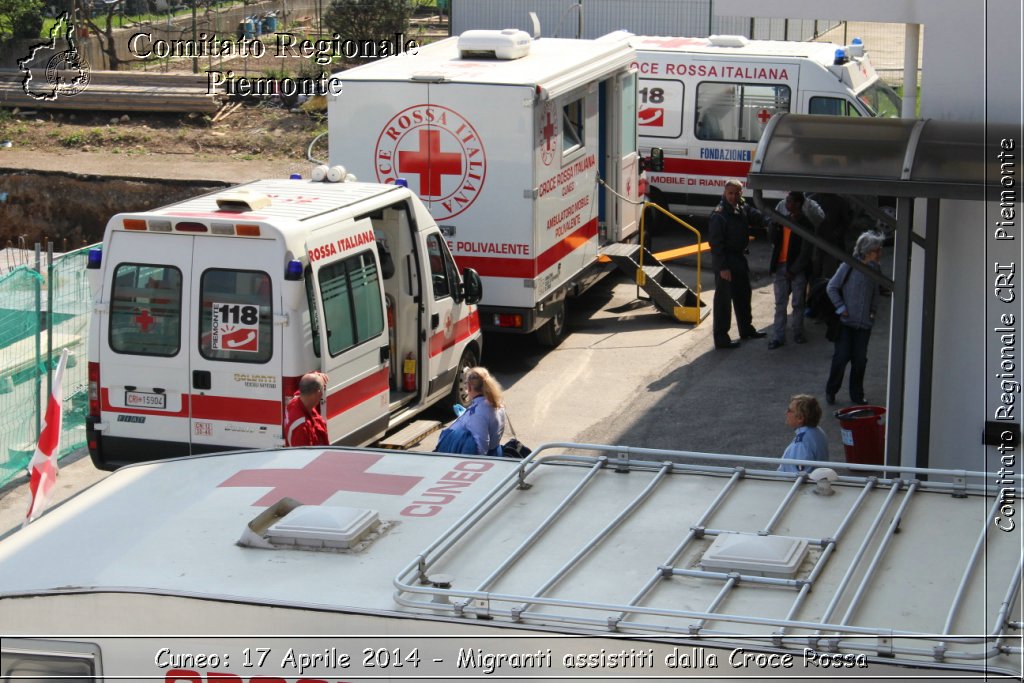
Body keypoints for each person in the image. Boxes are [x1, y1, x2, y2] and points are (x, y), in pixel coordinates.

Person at [825, 232, 884, 406]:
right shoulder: (848, 266)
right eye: (876, 250)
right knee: (841, 358)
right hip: (845, 324)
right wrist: (841, 308)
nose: (879, 253)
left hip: (864, 325)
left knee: (860, 361)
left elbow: (875, 292)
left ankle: (857, 394)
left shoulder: (874, 269)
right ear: (866, 251)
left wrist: (872, 312)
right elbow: (832, 287)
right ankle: (831, 390)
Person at [708, 179, 768, 349]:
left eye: (737, 193)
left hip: (739, 259)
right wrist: (723, 268)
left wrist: (770, 219)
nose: (733, 196)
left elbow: (755, 215)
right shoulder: (719, 215)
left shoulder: (740, 207)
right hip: (726, 261)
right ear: (724, 193)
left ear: (741, 194)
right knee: (723, 302)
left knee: (743, 295)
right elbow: (716, 245)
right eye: (730, 193)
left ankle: (746, 329)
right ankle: (721, 338)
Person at [768, 192, 815, 349]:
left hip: (796, 269)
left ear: (797, 204)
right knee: (781, 303)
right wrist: (773, 225)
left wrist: (794, 269)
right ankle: (778, 336)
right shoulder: (783, 221)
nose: (785, 204)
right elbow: (774, 240)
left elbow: (806, 251)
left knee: (798, 303)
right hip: (782, 266)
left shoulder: (806, 224)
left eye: (789, 201)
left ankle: (798, 333)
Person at [434, 367, 506, 456]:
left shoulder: (478, 413)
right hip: (495, 452)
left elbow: (481, 447)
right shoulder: (497, 404)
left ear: (469, 386)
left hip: (483, 461)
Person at [778, 394, 829, 473]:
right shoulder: (818, 431)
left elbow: (799, 475)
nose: (786, 413)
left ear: (800, 418)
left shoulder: (802, 443)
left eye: (789, 410)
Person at [283, 371, 329, 447]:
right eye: (323, 388)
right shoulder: (301, 428)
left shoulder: (295, 401)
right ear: (318, 393)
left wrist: (316, 375)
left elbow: (307, 383)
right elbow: (304, 456)